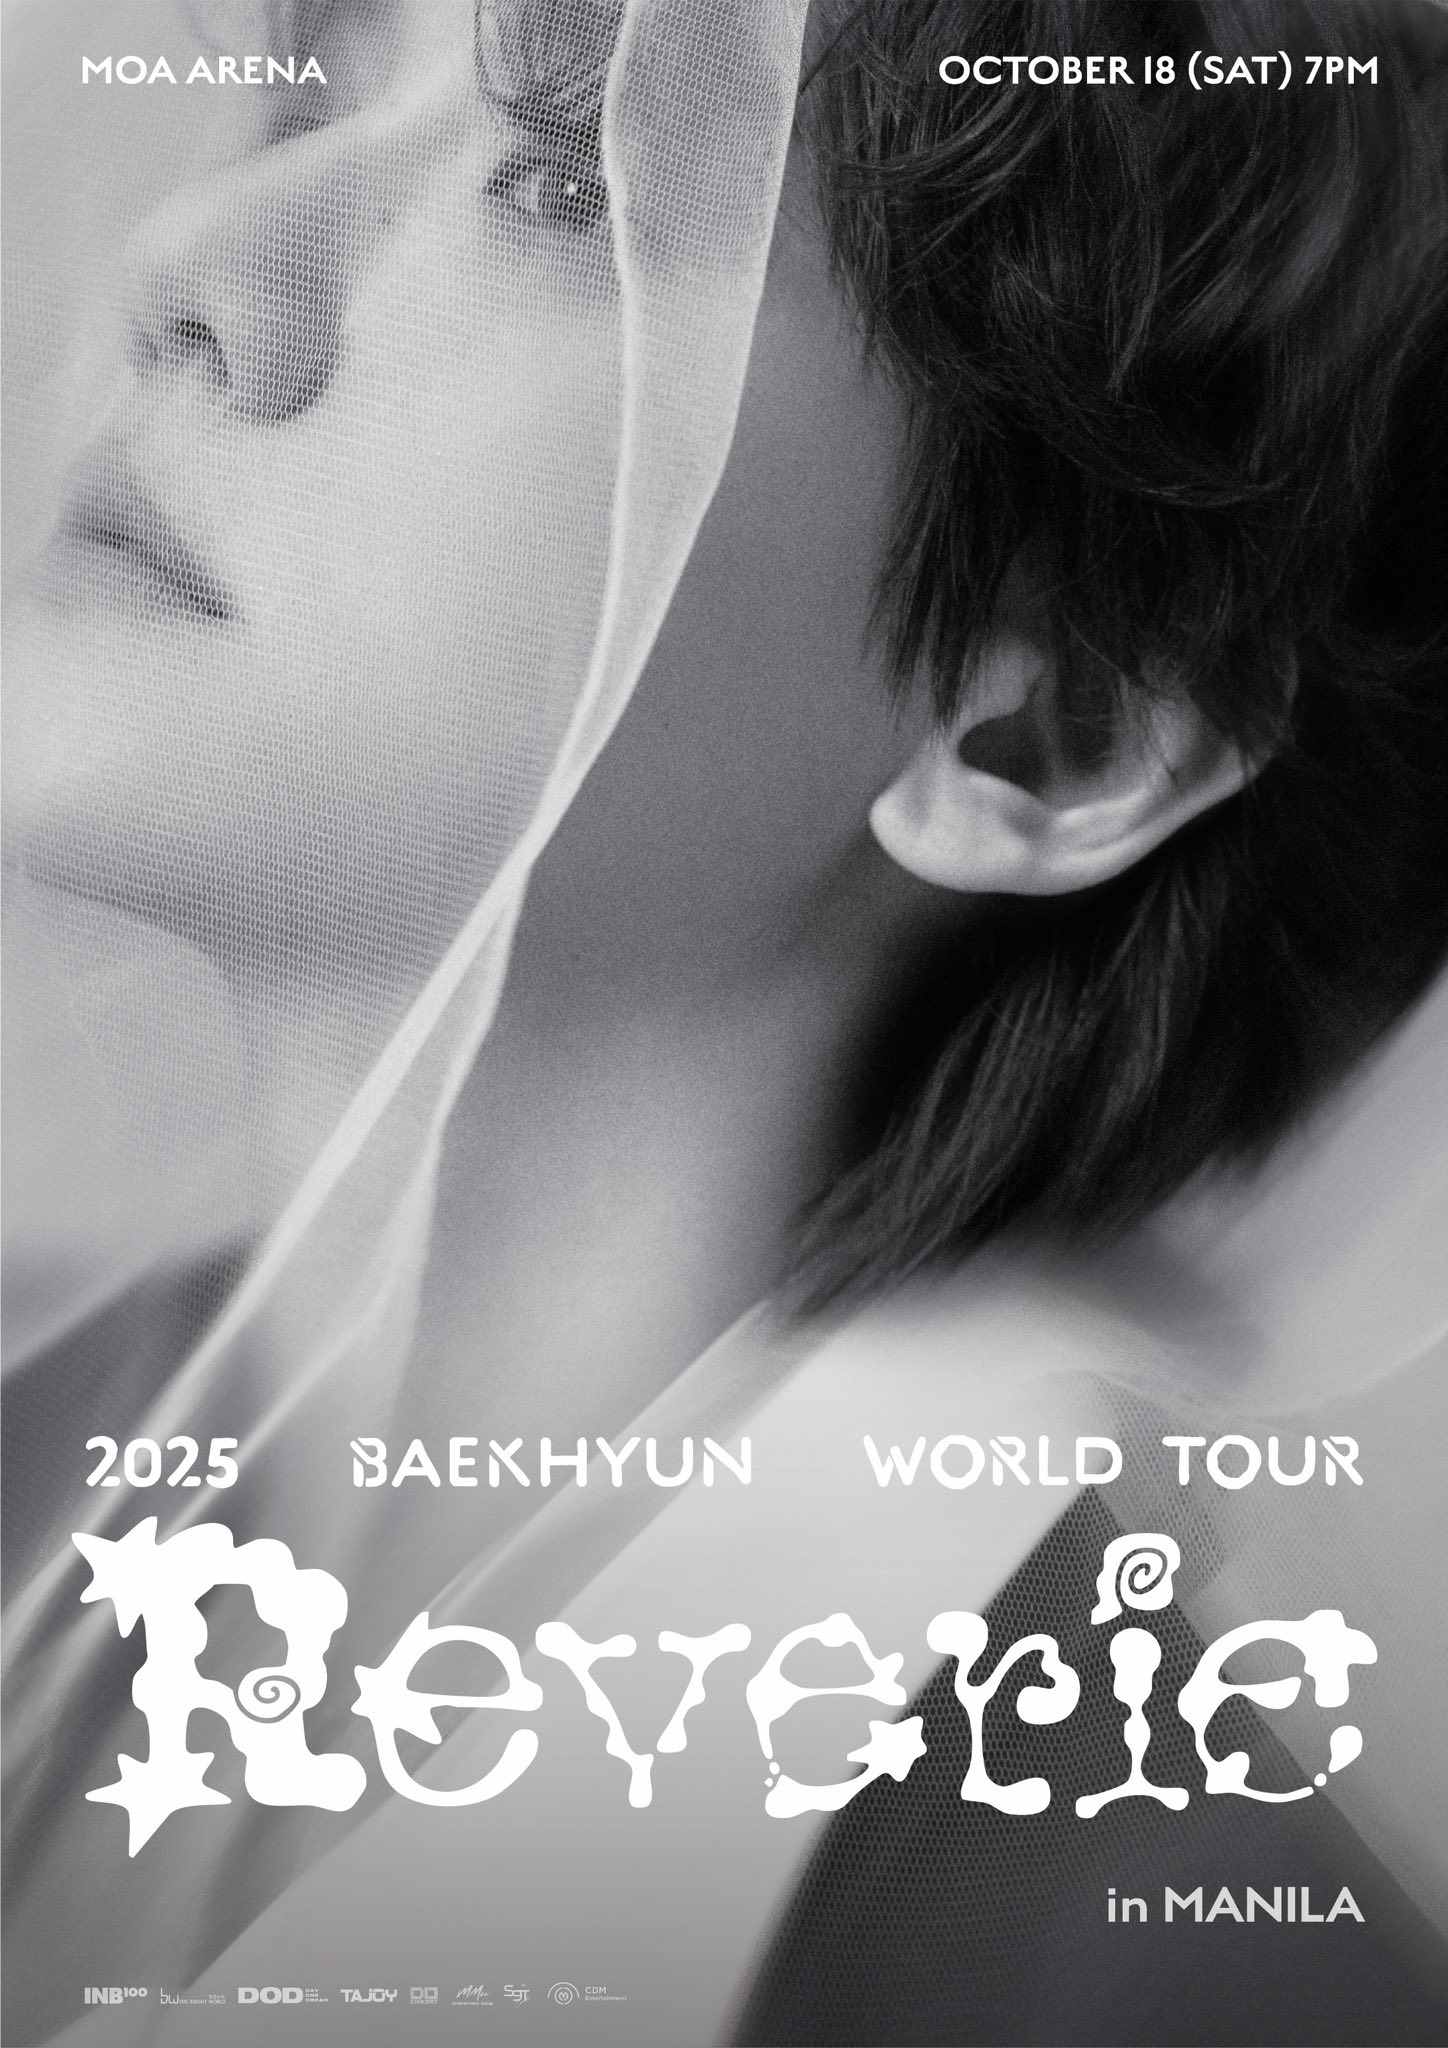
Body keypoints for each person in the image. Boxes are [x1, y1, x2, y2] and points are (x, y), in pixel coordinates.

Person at [3, 1, 1446, 2042]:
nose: (201, 271)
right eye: (308, 96)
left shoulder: (1166, 1988)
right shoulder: (45, 1449)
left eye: (564, 191)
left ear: (1052, 735)